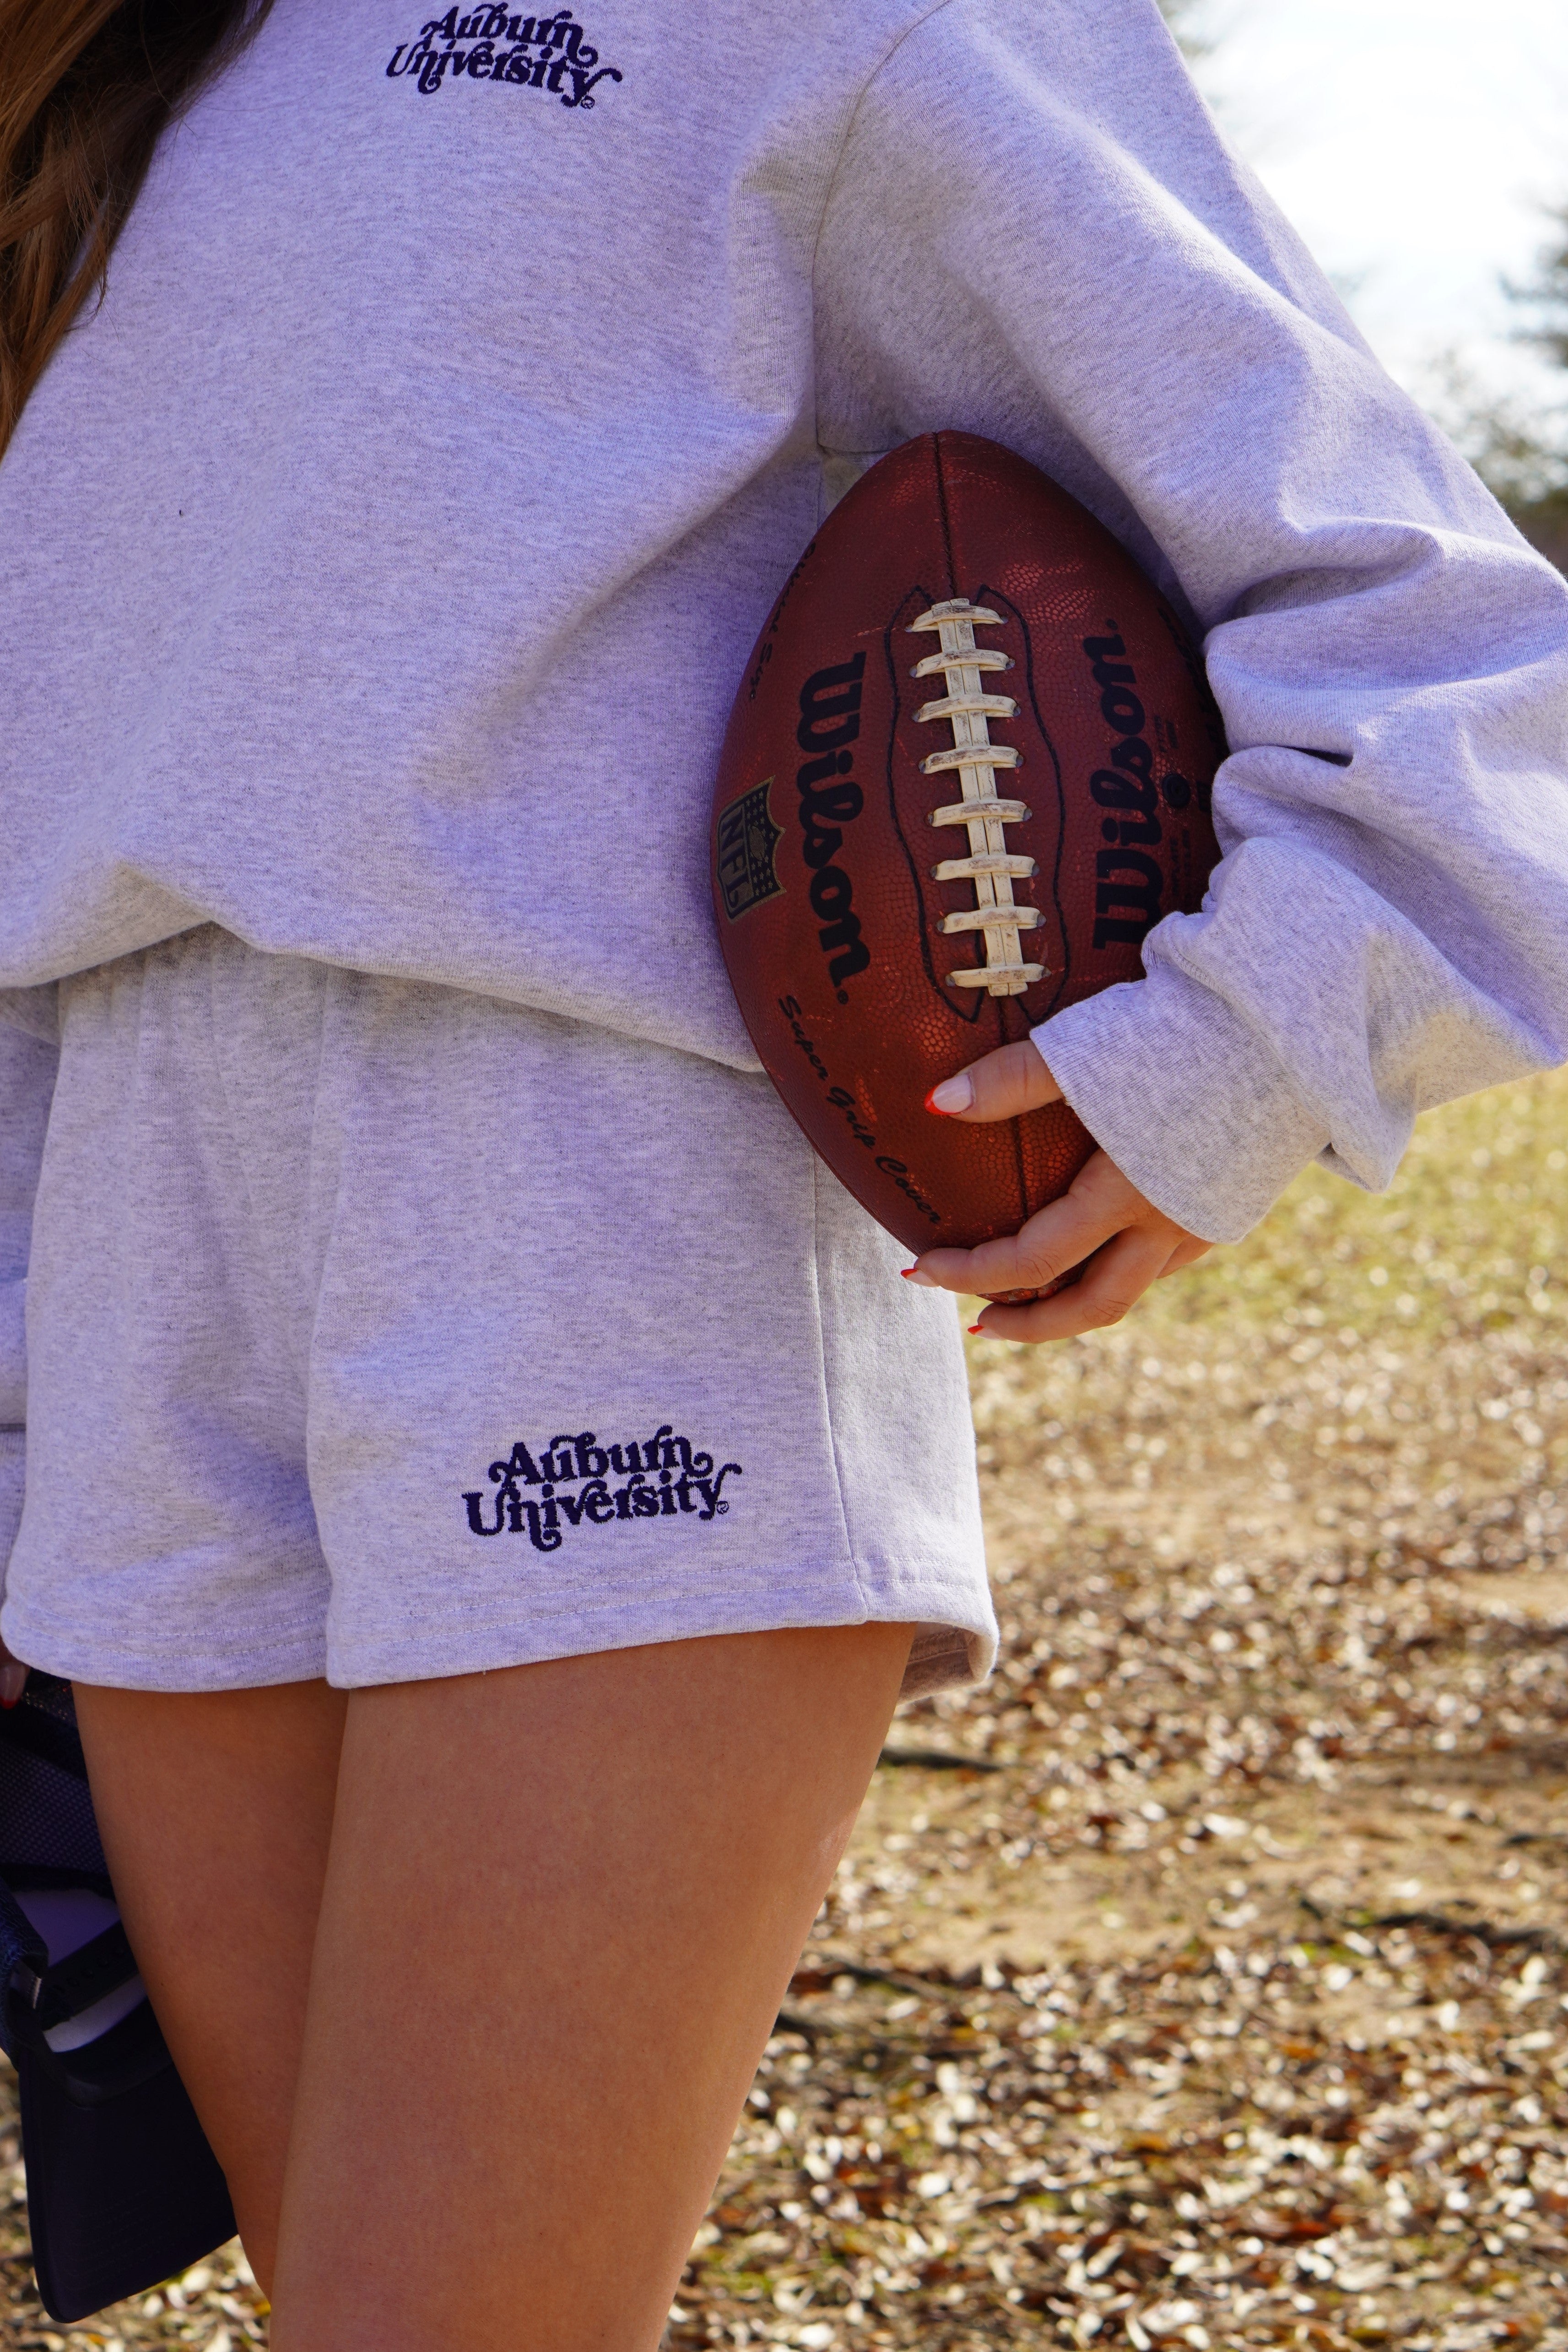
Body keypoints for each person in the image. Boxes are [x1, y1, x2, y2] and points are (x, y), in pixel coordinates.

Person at [2, 0, 1565, 2342]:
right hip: (127, 1239)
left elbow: (1440, 631)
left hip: (590, 1216)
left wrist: (1231, 1054)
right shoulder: (133, 66)